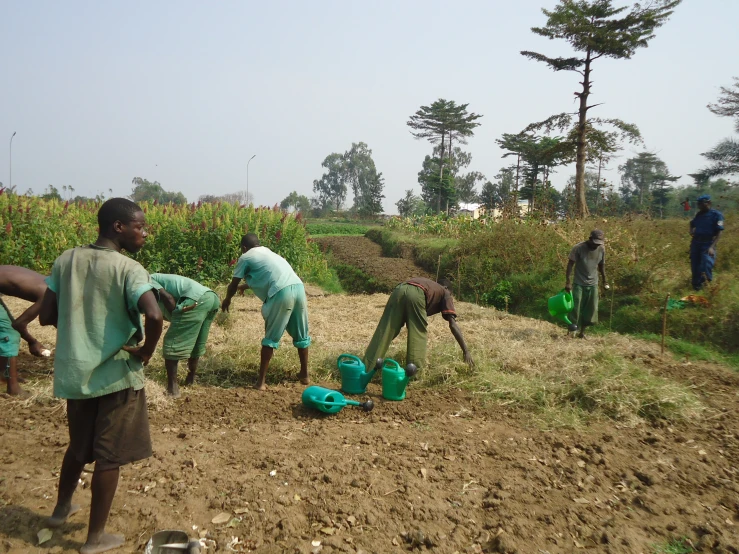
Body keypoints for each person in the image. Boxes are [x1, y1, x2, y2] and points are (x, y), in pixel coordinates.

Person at [39, 198, 163, 554]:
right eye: (140, 227)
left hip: (75, 375)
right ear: (118, 227)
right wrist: (146, 352)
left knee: (78, 448)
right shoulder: (129, 269)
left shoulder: (67, 260)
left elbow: (46, 315)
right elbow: (153, 316)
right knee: (109, 457)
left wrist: (80, 325)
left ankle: (60, 511)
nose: (144, 233)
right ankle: (94, 539)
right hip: (115, 377)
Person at [221, 233, 310, 391]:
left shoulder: (246, 257)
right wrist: (245, 286)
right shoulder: (269, 252)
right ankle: (304, 374)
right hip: (299, 288)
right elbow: (271, 275)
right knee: (302, 335)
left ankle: (260, 382)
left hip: (281, 292)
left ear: (244, 248)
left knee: (271, 338)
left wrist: (227, 300)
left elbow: (233, 283)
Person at [362, 277, 474, 372]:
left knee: (385, 330)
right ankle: (414, 374)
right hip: (416, 294)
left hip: (399, 290)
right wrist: (466, 351)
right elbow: (453, 325)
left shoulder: (429, 285)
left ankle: (365, 367)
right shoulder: (445, 292)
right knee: (417, 334)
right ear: (446, 288)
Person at [150, 273, 220, 397]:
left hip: (196, 299)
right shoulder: (157, 278)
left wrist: (178, 321)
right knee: (197, 341)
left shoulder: (147, 279)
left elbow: (168, 298)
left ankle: (172, 389)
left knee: (172, 343)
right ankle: (190, 379)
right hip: (211, 297)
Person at [0, 266, 51, 396]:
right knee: (10, 334)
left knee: (5, 331)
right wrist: (32, 342)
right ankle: (13, 389)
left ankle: (5, 375)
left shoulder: (55, 285)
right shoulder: (48, 294)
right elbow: (18, 324)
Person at [565, 229, 609, 339]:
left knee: (590, 309)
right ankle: (571, 332)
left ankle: (582, 332)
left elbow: (601, 266)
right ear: (590, 239)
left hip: (593, 283)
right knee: (575, 308)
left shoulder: (601, 249)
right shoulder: (578, 248)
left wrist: (605, 280)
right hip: (579, 282)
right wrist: (568, 281)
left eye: (598, 243)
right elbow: (570, 264)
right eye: (594, 243)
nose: (596, 245)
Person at [689, 194, 724, 291]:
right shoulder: (699, 214)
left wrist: (712, 247)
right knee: (695, 265)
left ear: (708, 203)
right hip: (696, 243)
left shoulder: (717, 215)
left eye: (701, 204)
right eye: (698, 204)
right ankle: (696, 287)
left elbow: (719, 232)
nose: (699, 206)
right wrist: (691, 230)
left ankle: (706, 287)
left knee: (706, 264)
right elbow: (692, 223)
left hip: (708, 243)